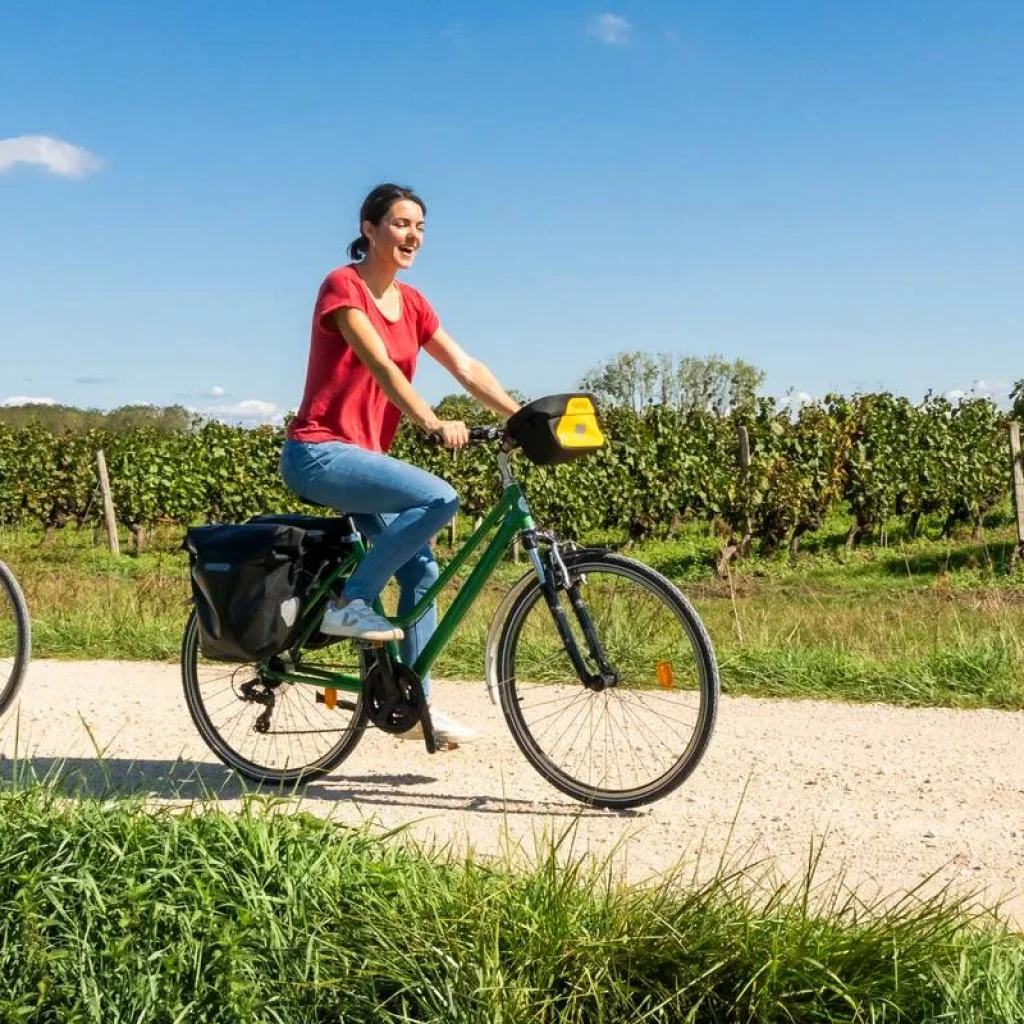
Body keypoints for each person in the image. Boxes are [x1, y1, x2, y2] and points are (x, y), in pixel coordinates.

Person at [280, 183, 520, 745]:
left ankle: (414, 708)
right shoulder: (343, 286)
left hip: (362, 457)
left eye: (420, 227)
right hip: (318, 451)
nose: (412, 235)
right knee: (439, 497)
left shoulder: (413, 303)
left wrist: (521, 415)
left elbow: (463, 364)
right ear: (369, 229)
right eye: (399, 224)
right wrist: (432, 423)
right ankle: (351, 601)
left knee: (422, 571)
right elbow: (382, 365)